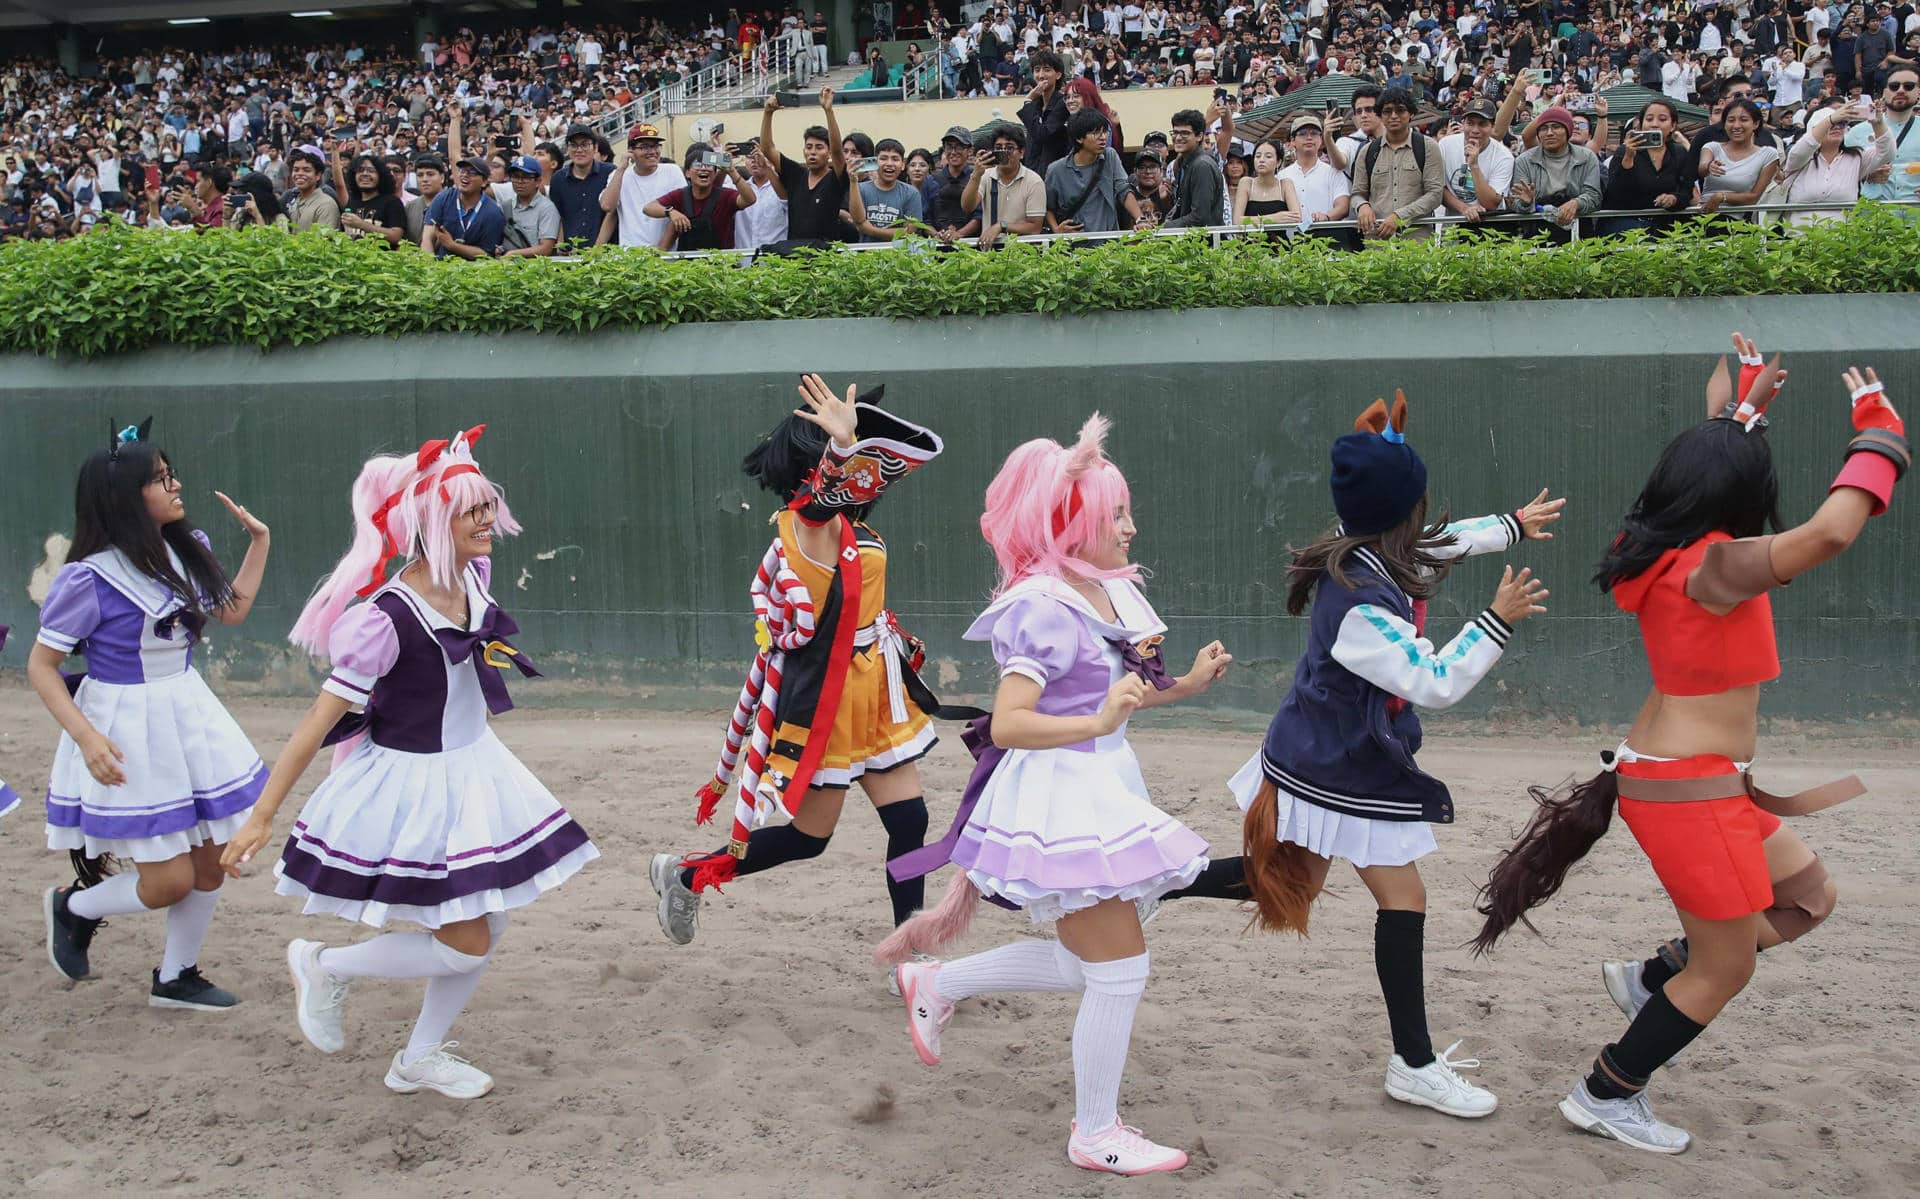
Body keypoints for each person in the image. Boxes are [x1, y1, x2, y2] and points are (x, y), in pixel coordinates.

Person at [1472, 334, 1907, 1155]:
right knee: (1728, 968)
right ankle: (1607, 1090)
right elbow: (1829, 535)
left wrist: (1739, 410)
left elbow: (1703, 463)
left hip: (1694, 781)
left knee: (1808, 896)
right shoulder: (1715, 566)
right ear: (1742, 499)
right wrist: (1880, 437)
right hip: (1689, 788)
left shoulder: (1654, 547)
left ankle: (1650, 978)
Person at [877, 414, 1230, 1176]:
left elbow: (1126, 696)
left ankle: (939, 981)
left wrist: (1186, 687)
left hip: (1103, 782)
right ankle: (1095, 1129)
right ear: (1071, 524)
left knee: (1088, 965)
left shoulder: (1108, 594)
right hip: (1064, 797)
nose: (1131, 527)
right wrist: (1097, 718)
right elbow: (1006, 722)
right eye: (1116, 515)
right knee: (1119, 969)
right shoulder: (1042, 606)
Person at [220, 426, 598, 1099]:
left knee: (489, 918)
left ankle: (419, 1056)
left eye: (487, 505)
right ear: (431, 521)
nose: (488, 519)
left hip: (473, 767)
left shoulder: (473, 575)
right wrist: (261, 816)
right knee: (465, 939)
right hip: (415, 783)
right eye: (471, 509)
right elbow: (318, 721)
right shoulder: (385, 619)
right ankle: (324, 963)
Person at [1236, 392, 1557, 1121]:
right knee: (1400, 897)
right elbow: (1434, 681)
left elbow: (1437, 542)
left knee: (1288, 882)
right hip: (1333, 769)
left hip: (1327, 758)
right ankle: (1413, 1063)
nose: (1429, 519)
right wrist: (1495, 622)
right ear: (1400, 515)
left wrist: (1510, 526)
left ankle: (1146, 884)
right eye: (1420, 505)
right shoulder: (1358, 604)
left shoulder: (1362, 544)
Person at [649, 376, 951, 959]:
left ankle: (908, 955)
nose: (865, 460)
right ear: (820, 465)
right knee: (806, 841)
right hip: (829, 701)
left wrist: (855, 442)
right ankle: (687, 875)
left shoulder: (852, 527)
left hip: (875, 690)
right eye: (850, 452)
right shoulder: (806, 526)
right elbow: (824, 502)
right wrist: (842, 446)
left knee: (910, 824)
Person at [35, 419, 273, 1011]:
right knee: (168, 882)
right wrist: (87, 738)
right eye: (160, 479)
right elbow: (42, 666)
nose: (175, 485)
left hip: (188, 714)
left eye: (170, 474)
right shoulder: (88, 580)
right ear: (124, 498)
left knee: (212, 866)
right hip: (127, 727)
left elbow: (232, 612)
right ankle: (74, 906)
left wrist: (259, 545)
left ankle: (176, 976)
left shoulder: (185, 553)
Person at [1783, 96, 1896, 224]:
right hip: (1799, 239)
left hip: (1842, 239)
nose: (1837, 127)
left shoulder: (1856, 157)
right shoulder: (1800, 157)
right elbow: (1807, 144)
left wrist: (1878, 122)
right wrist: (1831, 119)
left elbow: (1888, 152)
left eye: (1842, 124)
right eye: (1831, 125)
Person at [760, 87, 851, 245]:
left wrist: (828, 110)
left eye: (819, 147)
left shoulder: (836, 178)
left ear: (828, 153)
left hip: (825, 256)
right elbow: (767, 149)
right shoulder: (796, 174)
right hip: (793, 257)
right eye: (809, 147)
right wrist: (768, 113)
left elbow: (838, 151)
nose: (813, 152)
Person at [1598, 99, 1696, 236]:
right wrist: (1628, 158)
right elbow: (1615, 193)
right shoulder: (1624, 151)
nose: (1655, 124)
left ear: (1673, 126)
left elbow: (1687, 191)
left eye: (1662, 119)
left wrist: (1673, 199)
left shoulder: (1679, 153)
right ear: (1641, 124)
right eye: (1649, 119)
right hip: (1626, 226)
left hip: (1667, 226)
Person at [646, 149, 759, 251]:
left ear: (715, 173)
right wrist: (670, 212)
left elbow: (750, 199)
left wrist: (731, 171)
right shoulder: (680, 195)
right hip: (687, 267)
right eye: (698, 165)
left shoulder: (726, 195)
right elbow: (649, 208)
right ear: (687, 173)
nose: (704, 168)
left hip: (722, 266)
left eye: (709, 166)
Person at [1045, 109, 1134, 233]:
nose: (1103, 137)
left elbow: (1123, 189)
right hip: (1074, 245)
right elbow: (1048, 207)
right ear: (1079, 138)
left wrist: (1140, 219)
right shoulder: (1056, 170)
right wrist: (1056, 229)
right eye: (1096, 133)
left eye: (1104, 132)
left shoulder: (1110, 156)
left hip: (1108, 244)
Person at [599, 123, 686, 250]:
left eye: (656, 146)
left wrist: (660, 252)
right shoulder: (618, 175)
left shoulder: (672, 171)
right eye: (644, 147)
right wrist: (621, 169)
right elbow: (607, 206)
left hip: (666, 258)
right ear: (631, 150)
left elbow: (680, 213)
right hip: (630, 257)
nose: (652, 152)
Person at [962, 121, 1047, 247]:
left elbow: (1035, 227)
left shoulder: (1034, 181)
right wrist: (976, 175)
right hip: (989, 254)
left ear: (1022, 153)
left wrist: (1001, 226)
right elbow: (967, 207)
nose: (1004, 152)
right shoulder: (985, 176)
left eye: (1010, 148)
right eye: (998, 148)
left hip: (1023, 254)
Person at [1698, 98, 1784, 219]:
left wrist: (1721, 197)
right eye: (1731, 120)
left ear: (1756, 123)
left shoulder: (1768, 154)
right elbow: (1702, 169)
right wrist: (1709, 166)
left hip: (1738, 224)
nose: (1736, 126)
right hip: (1704, 219)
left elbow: (1754, 197)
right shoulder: (1712, 147)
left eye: (1744, 120)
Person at [1850, 66, 1919, 206]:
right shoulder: (1857, 133)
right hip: (1872, 219)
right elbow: (1838, 175)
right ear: (1884, 92)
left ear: (1918, 92)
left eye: (1908, 86)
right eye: (1894, 86)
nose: (1900, 90)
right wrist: (1865, 176)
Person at [548, 124, 617, 249]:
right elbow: (559, 216)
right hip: (571, 254)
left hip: (606, 254)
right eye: (573, 145)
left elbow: (613, 213)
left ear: (595, 147)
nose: (579, 150)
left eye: (585, 144)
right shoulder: (558, 179)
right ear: (567, 149)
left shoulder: (610, 173)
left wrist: (598, 249)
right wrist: (561, 245)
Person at [422, 157, 507, 258]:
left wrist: (452, 245)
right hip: (442, 267)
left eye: (472, 172)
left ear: (484, 181)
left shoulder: (493, 213)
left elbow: (486, 254)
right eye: (462, 171)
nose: (465, 175)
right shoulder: (443, 198)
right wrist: (429, 267)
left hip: (476, 270)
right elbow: (427, 238)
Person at [848, 138, 924, 240]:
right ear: (875, 162)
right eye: (883, 158)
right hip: (866, 254)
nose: (889, 163)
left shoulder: (911, 193)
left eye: (895, 159)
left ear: (902, 165)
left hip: (899, 254)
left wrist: (870, 230)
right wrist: (853, 181)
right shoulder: (861, 189)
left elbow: (909, 231)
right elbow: (858, 220)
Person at [1162, 107, 1226, 228]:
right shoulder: (1185, 163)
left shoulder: (1202, 165)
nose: (1178, 137)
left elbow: (1199, 217)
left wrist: (1165, 229)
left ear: (1199, 136)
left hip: (1205, 243)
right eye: (1175, 132)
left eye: (1185, 133)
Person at [339, 151, 409, 248]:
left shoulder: (392, 202)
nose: (365, 174)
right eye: (360, 170)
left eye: (371, 170)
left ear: (381, 176)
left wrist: (361, 225)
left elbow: (396, 236)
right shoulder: (352, 203)